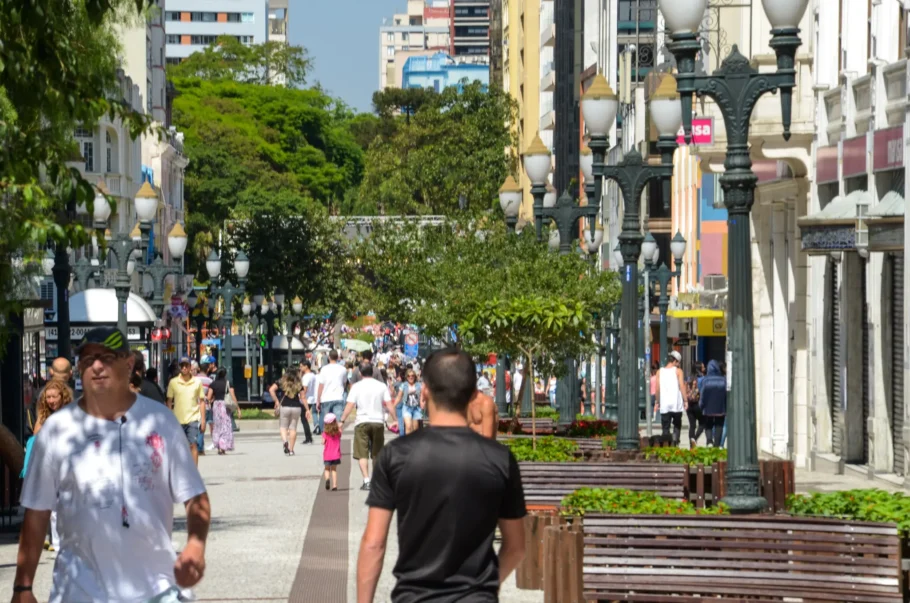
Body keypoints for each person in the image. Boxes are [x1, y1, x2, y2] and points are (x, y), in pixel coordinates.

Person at [12, 327, 209, 603]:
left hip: (156, 590)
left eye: (106, 357)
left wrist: (196, 545)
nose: (96, 366)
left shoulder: (160, 422)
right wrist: (23, 587)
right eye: (88, 359)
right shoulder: (57, 430)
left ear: (128, 365)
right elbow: (36, 513)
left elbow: (194, 496)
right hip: (79, 591)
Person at [357, 348, 527, 602]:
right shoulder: (500, 459)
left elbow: (374, 544)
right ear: (472, 395)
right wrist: (484, 588)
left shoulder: (397, 455)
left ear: (425, 391)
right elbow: (516, 545)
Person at [20, 380, 74, 553]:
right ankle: (58, 544)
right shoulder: (43, 417)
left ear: (62, 396)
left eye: (54, 396)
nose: (50, 400)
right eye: (48, 397)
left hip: (69, 464)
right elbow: (37, 441)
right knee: (53, 508)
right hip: (50, 466)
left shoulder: (72, 414)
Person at [339, 363, 394, 491]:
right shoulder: (381, 386)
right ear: (373, 372)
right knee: (377, 452)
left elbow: (350, 405)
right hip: (378, 421)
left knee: (362, 453)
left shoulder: (356, 387)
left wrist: (342, 420)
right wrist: (395, 419)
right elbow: (389, 403)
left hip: (362, 421)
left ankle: (366, 480)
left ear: (360, 373)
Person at [166, 358, 206, 466]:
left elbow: (202, 401)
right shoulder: (173, 382)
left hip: (193, 418)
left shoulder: (197, 382)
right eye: (182, 365)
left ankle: (194, 474)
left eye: (186, 365)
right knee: (179, 447)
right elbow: (169, 401)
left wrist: (203, 420)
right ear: (179, 367)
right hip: (177, 419)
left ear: (190, 367)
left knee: (193, 445)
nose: (184, 368)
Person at [270, 367, 311, 455]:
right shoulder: (299, 383)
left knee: (283, 427)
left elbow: (271, 390)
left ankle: (285, 442)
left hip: (284, 406)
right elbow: (303, 397)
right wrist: (307, 409)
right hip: (296, 407)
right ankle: (291, 450)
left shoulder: (281, 381)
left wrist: (277, 401)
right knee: (293, 428)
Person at [654, 351, 688, 447]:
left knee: (665, 427)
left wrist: (657, 401)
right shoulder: (678, 371)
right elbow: (682, 386)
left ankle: (666, 445)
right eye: (678, 362)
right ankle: (675, 443)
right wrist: (685, 400)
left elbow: (657, 388)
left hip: (665, 404)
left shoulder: (659, 372)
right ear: (675, 361)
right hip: (676, 404)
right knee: (677, 425)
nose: (679, 364)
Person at [316, 349, 348, 432]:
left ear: (329, 357)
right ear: (337, 357)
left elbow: (321, 386)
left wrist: (318, 400)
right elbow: (344, 383)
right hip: (338, 397)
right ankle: (336, 441)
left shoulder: (324, 369)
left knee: (326, 423)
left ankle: (327, 441)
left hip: (326, 398)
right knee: (337, 423)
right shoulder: (343, 369)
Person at [208, 368, 238, 455]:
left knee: (217, 426)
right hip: (225, 406)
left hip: (216, 406)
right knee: (225, 426)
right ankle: (223, 447)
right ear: (225, 374)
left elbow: (209, 397)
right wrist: (238, 408)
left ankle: (218, 446)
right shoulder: (228, 383)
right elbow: (233, 395)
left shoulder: (213, 384)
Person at [699, 360, 727, 447]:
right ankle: (717, 444)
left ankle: (709, 440)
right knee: (719, 426)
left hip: (708, 408)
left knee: (708, 425)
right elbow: (726, 395)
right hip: (720, 408)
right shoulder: (723, 380)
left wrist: (701, 405)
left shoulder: (705, 380)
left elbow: (702, 395)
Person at [394, 369, 423, 435]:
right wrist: (393, 406)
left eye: (412, 375)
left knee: (415, 428)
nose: (411, 377)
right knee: (408, 426)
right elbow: (399, 397)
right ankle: (408, 443)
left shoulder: (419, 385)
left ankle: (414, 443)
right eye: (409, 376)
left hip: (416, 408)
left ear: (415, 376)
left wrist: (423, 403)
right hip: (407, 408)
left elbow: (422, 396)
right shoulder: (403, 385)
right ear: (406, 377)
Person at [686, 363, 706, 448]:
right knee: (703, 423)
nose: (704, 368)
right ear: (699, 369)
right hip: (698, 405)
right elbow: (703, 392)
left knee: (692, 425)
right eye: (703, 367)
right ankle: (694, 438)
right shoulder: (702, 379)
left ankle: (691, 446)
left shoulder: (689, 378)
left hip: (689, 405)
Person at [322, 413, 342, 491]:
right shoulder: (337, 433)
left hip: (327, 455)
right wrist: (339, 427)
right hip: (336, 455)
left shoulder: (325, 433)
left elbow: (323, 442)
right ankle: (334, 485)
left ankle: (327, 479)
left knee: (327, 469)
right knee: (334, 470)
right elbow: (340, 434)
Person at [301, 360, 319, 435]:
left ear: (306, 366)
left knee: (304, 419)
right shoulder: (313, 375)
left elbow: (304, 389)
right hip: (312, 398)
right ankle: (308, 437)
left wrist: (301, 396)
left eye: (301, 366)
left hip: (306, 399)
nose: (300, 368)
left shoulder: (306, 377)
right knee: (304, 418)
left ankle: (308, 437)